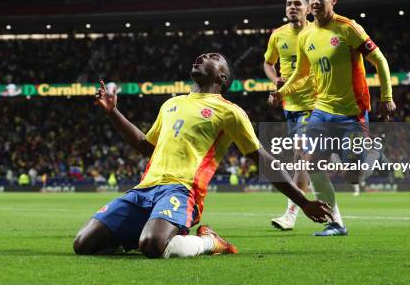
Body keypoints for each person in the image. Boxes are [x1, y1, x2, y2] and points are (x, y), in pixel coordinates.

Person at [73, 53, 332, 258]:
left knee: (152, 246)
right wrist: (113, 113)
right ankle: (141, 234)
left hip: (183, 191)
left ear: (221, 76)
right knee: (83, 244)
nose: (201, 57)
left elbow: (263, 160)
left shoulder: (230, 112)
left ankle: (210, 241)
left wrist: (303, 202)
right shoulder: (171, 104)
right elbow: (144, 146)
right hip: (145, 188)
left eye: (211, 56)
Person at [270, 0, 396, 236]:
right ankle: (336, 222)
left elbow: (379, 60)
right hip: (320, 112)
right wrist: (281, 92)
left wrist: (387, 97)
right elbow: (300, 74)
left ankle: (373, 152)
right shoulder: (306, 35)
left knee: (354, 177)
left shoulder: (349, 28)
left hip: (352, 113)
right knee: (312, 164)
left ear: (333, 0)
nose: (315, 2)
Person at [264, 0, 316, 230]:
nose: (292, 7)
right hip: (290, 106)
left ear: (308, 9)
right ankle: (330, 209)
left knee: (302, 159)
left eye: (297, 4)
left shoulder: (318, 32)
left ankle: (291, 214)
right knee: (300, 160)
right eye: (288, 4)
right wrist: (275, 81)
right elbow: (268, 62)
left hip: (315, 104)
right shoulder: (278, 35)